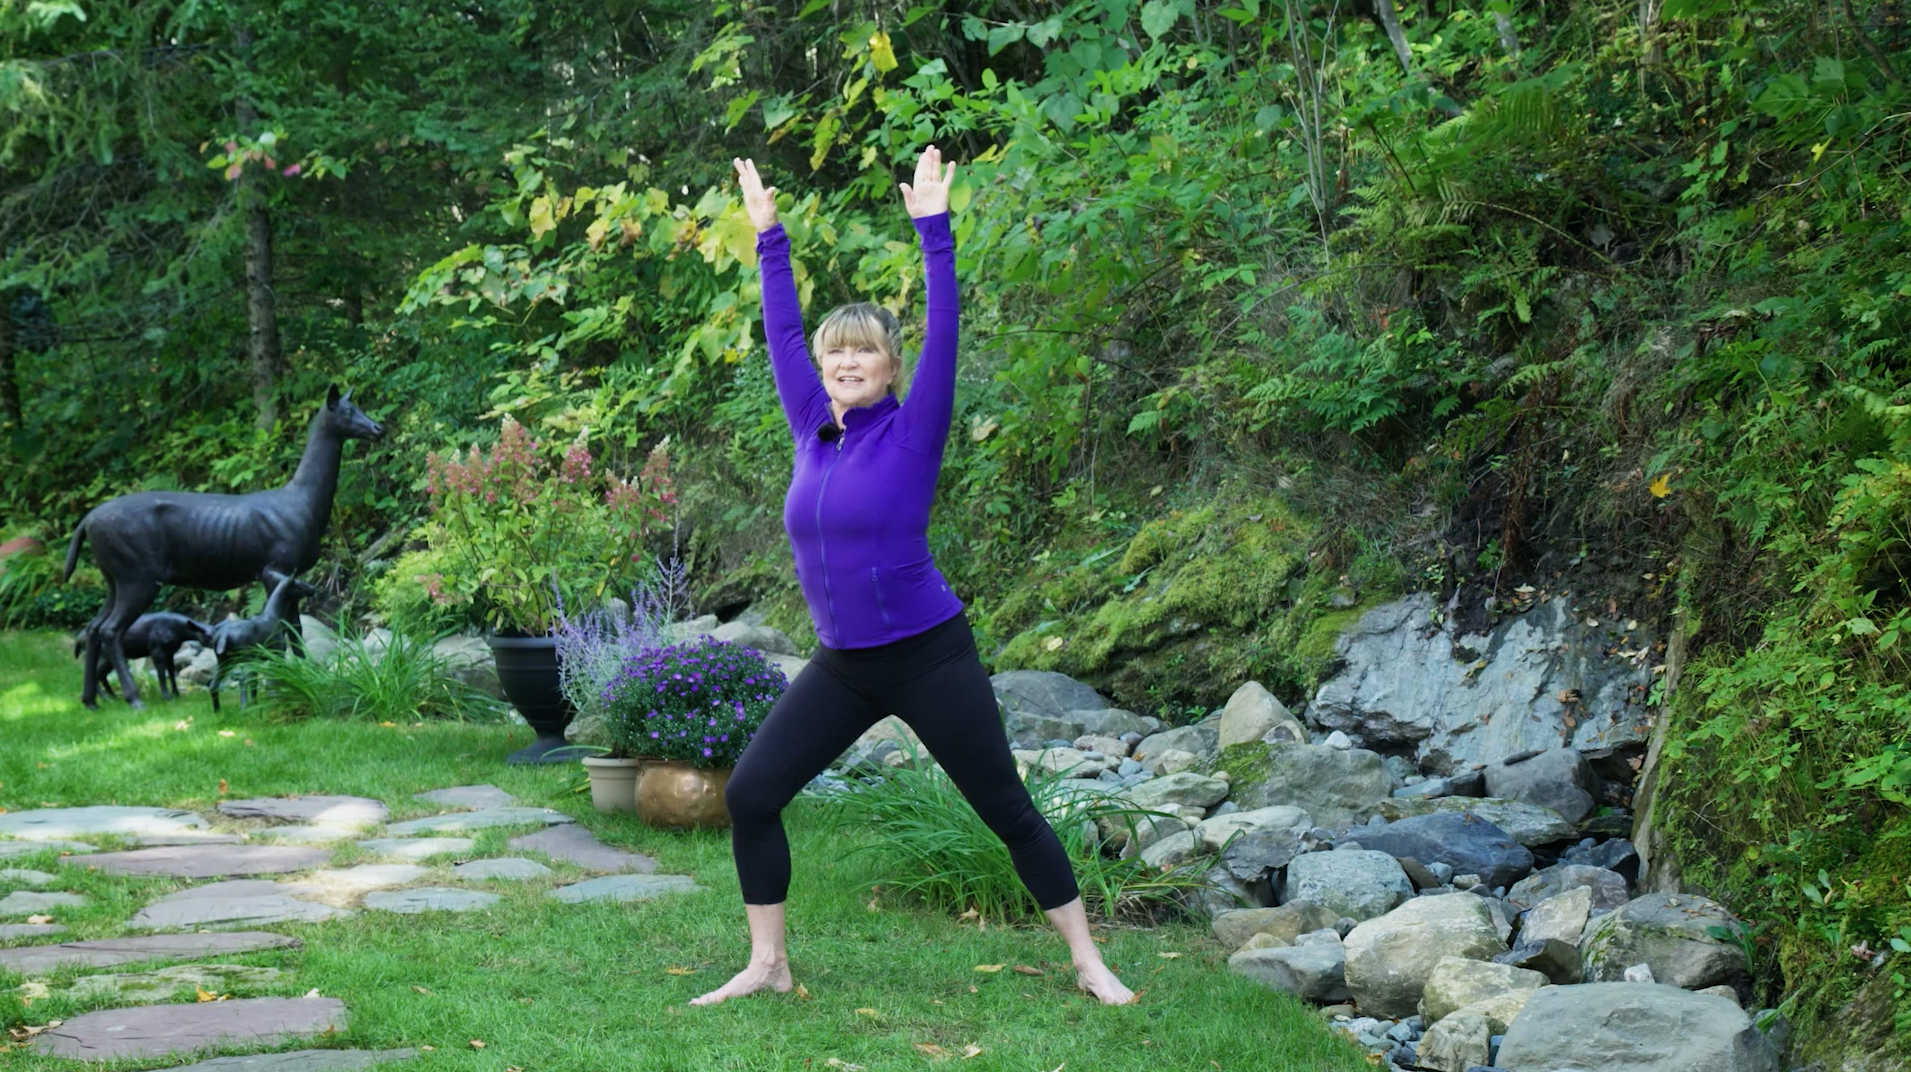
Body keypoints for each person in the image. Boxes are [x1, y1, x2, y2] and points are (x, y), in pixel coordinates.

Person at [691, 148, 1134, 1007]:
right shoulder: (810, 427)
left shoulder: (912, 430)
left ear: (891, 366)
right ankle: (768, 964)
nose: (844, 363)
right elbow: (780, 331)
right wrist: (768, 237)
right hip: (843, 664)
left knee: (1004, 806)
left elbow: (949, 325)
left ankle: (1086, 961)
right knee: (752, 793)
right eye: (834, 355)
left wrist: (934, 230)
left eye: (863, 353)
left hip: (928, 654)